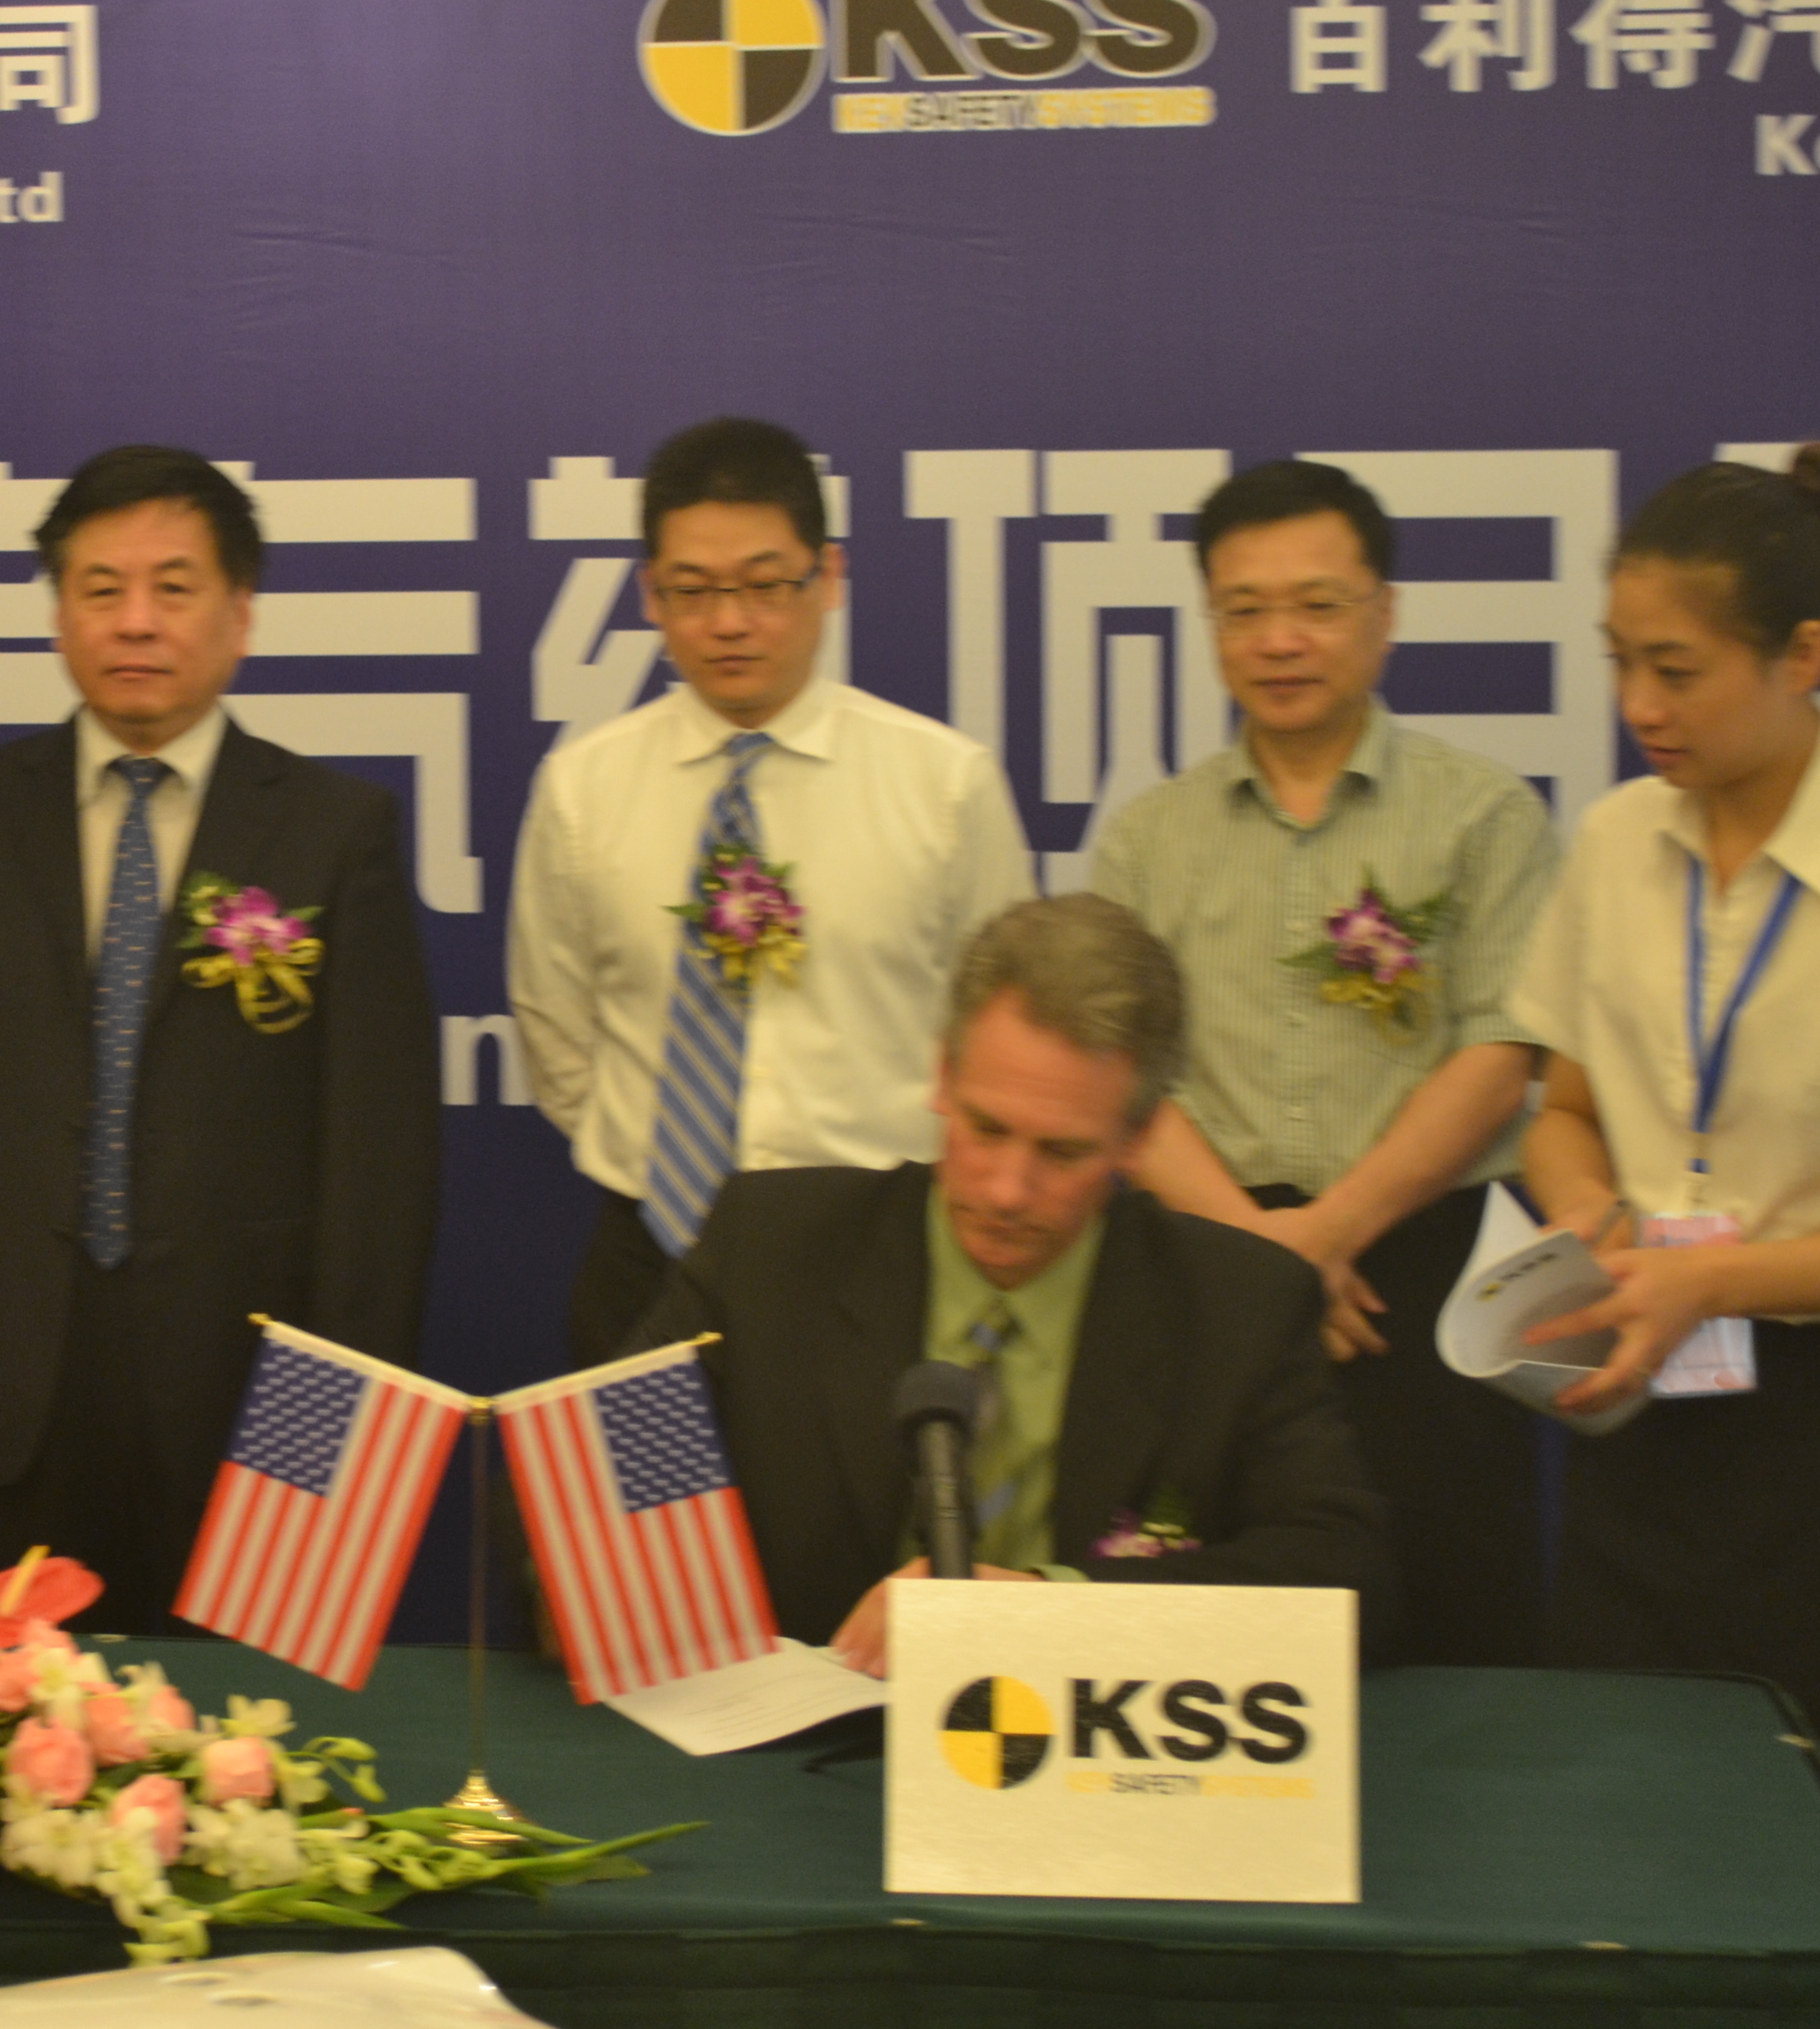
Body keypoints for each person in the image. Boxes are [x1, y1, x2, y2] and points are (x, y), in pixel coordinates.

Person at [0, 445, 440, 1633]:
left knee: (249, 1727)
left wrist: (345, 1400)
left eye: (174, 588)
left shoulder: (333, 830)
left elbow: (380, 1152)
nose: (136, 622)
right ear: (59, 614)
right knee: (32, 1711)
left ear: (240, 615)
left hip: (252, 1377)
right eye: (100, 588)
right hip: (13, 1361)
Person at [637, 893, 1394, 1673]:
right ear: (942, 1077)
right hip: (815, 1735)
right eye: (986, 1128)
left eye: (1062, 1153)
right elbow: (599, 1504)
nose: (1007, 1190)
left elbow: (1344, 1580)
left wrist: (1046, 1611)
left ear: (1138, 1139)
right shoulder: (770, 1247)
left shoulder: (1238, 1304)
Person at [1090, 459, 1560, 1666]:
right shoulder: (1148, 838)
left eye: (1317, 605)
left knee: (1453, 1616)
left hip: (1420, 1274)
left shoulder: (1485, 814)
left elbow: (1502, 1049)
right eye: (1244, 609)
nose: (1279, 640)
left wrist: (1326, 1239)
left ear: (1385, 613)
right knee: (1217, 1635)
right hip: (1206, 1272)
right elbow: (1123, 1078)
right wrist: (1265, 1257)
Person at [511, 417, 1034, 1363]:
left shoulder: (944, 785)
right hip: (648, 1254)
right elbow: (557, 1026)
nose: (729, 623)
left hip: (874, 1248)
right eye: (693, 591)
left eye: (764, 585)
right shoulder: (582, 789)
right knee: (631, 1469)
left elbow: (1003, 1038)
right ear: (650, 595)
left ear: (828, 577)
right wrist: (656, 1157)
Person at [1510, 447, 1820, 1732]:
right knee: (1628, 1763)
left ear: (1800, 655)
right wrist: (1590, 1220)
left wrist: (1712, 1280)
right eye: (1618, 662)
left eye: (1676, 669)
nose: (1638, 705)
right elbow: (1563, 1110)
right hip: (1643, 1387)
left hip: (1813, 1406)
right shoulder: (1613, 840)